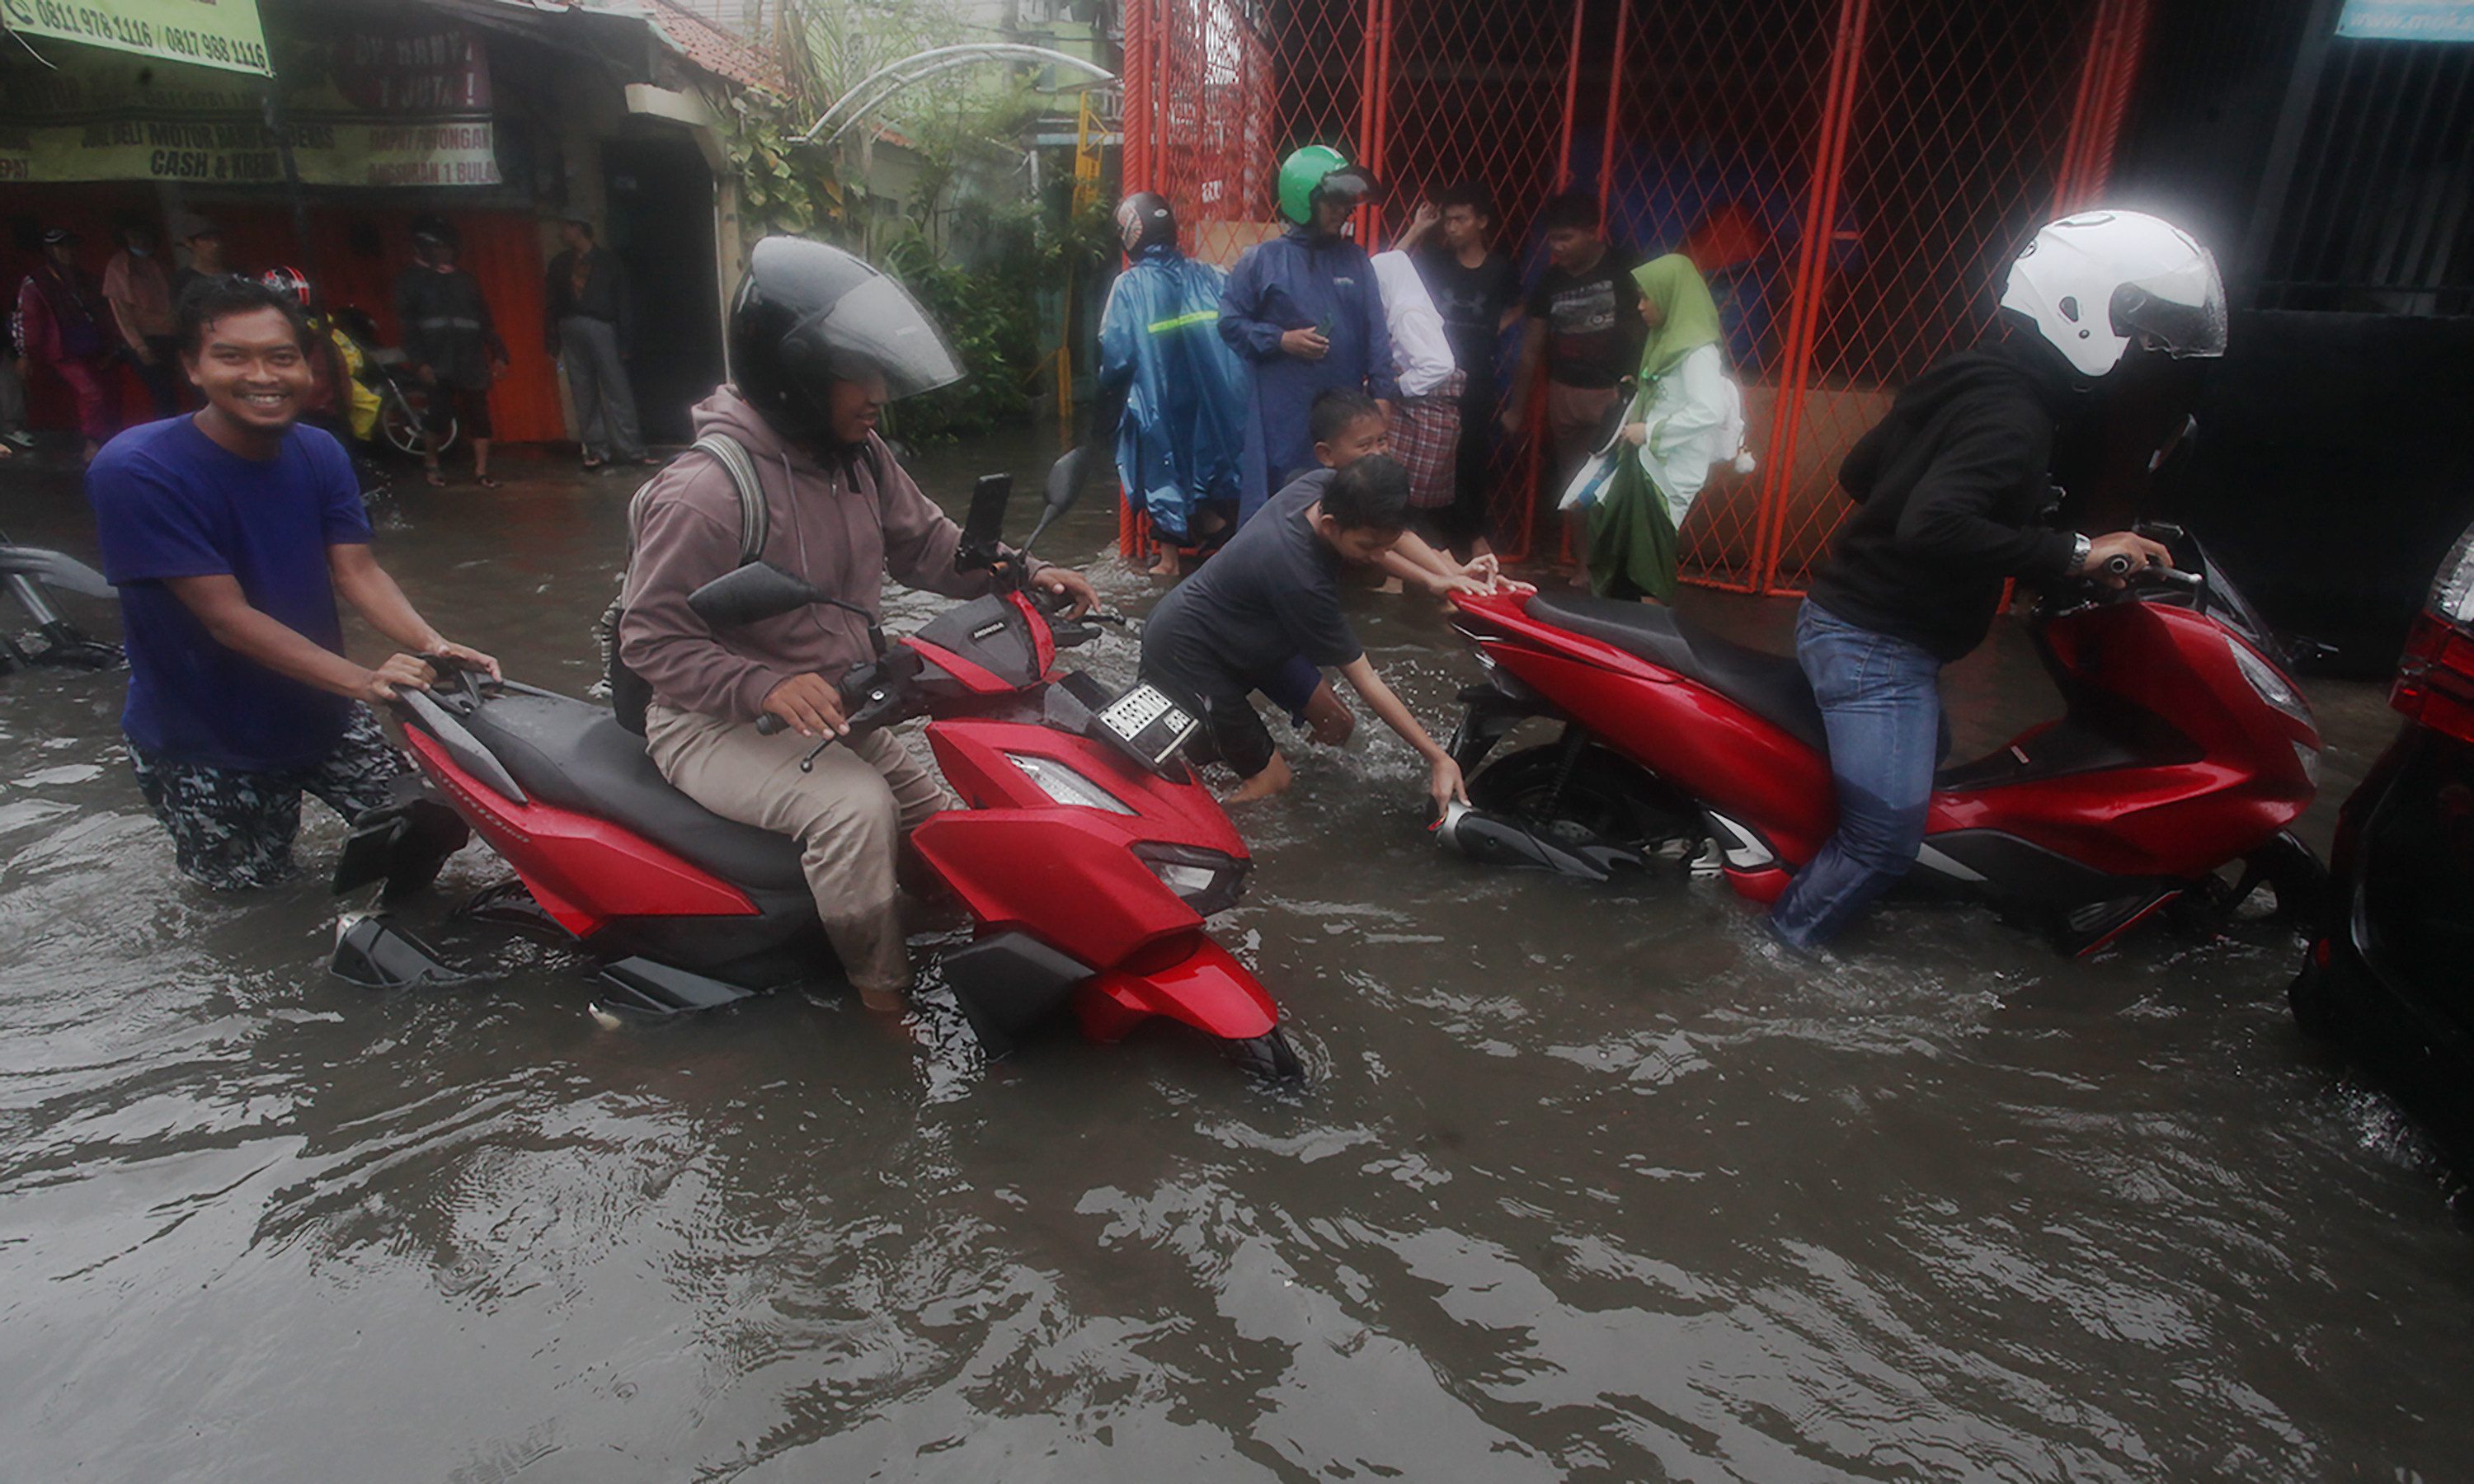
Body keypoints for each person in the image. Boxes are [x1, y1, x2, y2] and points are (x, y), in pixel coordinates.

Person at [618, 237, 1099, 1018]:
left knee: (944, 839)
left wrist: (1023, 571)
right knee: (855, 811)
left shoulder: (858, 455)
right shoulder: (706, 493)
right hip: (712, 722)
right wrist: (762, 685)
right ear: (795, 373)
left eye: (882, 373)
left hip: (837, 709)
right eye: (858, 374)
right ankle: (882, 1006)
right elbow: (650, 640)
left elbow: (929, 545)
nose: (878, 394)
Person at [1766, 209, 2223, 951]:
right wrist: (2073, 552)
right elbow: (1932, 524)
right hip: (1878, 647)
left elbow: (1861, 474)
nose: (2145, 347)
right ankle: (1775, 957)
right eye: (2137, 325)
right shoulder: (2014, 414)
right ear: (2085, 310)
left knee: (1933, 759)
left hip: (1857, 622)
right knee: (1883, 842)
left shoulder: (1976, 372)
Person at [84, 275, 499, 890]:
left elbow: (356, 570)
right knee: (252, 902)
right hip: (206, 739)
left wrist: (432, 644)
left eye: (280, 358)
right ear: (192, 369)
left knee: (433, 821)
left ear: (307, 368)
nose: (262, 376)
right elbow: (225, 616)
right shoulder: (137, 469)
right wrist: (364, 680)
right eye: (233, 356)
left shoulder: (319, 452)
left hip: (321, 706)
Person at [1141, 451, 1472, 809]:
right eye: (1367, 546)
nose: (1378, 556)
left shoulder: (1330, 486)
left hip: (1255, 632)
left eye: (1384, 545)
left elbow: (1388, 537)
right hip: (1188, 652)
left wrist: (1441, 577)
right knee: (1273, 783)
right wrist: (1437, 757)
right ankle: (1202, 831)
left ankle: (1267, 762)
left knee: (1337, 724)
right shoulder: (1301, 578)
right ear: (1330, 526)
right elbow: (1367, 681)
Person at [1220, 145, 1398, 524]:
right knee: (1282, 499)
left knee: (1342, 499)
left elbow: (1376, 334)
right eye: (1334, 202)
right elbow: (1230, 324)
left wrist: (1383, 396)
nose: (1345, 212)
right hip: (1283, 414)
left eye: (1347, 203)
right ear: (1303, 199)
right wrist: (1281, 340)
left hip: (1343, 414)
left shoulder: (1356, 261)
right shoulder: (1261, 260)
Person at [1095, 191, 1249, 575]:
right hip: (1209, 395)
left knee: (1158, 463)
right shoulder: (1209, 273)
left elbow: (1115, 349)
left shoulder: (1129, 286)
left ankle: (1167, 562)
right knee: (1200, 464)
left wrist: (1108, 396)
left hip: (1156, 395)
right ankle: (1217, 532)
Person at [1590, 254, 1753, 602]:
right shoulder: (1666, 342)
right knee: (1618, 530)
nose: (1640, 306)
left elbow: (1708, 409)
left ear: (1671, 297)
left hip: (1669, 468)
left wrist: (1650, 431)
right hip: (1647, 460)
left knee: (1648, 555)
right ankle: (1621, 622)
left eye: (1648, 296)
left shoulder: (1695, 351)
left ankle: (1648, 630)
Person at [1504, 192, 1643, 580]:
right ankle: (1584, 566)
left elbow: (1649, 327)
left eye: (1566, 238)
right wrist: (1517, 410)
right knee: (1575, 484)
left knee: (1615, 486)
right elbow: (1530, 351)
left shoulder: (1626, 268)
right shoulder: (1550, 282)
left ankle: (1614, 567)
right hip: (1564, 394)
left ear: (1592, 231)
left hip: (1615, 396)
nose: (1557, 247)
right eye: (1552, 239)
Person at [1399, 181, 1523, 556]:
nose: (1451, 227)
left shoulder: (1500, 268)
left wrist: (1497, 327)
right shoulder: (1435, 262)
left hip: (1478, 378)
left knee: (1470, 458)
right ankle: (1433, 541)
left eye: (1460, 219)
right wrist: (1418, 228)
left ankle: (1468, 539)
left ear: (1481, 222)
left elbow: (1520, 305)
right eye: (1447, 220)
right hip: (1435, 379)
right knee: (1430, 461)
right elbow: (1387, 268)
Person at [393, 216, 506, 487]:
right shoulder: (414, 282)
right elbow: (409, 329)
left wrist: (500, 355)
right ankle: (431, 464)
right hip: (437, 360)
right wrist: (420, 363)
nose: (444, 252)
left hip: (470, 359)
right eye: (438, 247)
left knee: (480, 417)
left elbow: (486, 321)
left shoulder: (466, 281)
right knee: (439, 415)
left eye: (447, 247)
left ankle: (481, 472)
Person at [1367, 243, 1464, 561]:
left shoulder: (1408, 315)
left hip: (1423, 418)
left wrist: (1398, 387)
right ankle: (1432, 568)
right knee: (1411, 503)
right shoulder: (1410, 307)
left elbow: (1440, 364)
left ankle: (1435, 567)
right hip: (1424, 416)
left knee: (1408, 501)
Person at [544, 209, 645, 472]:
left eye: (566, 227)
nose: (562, 233)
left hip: (602, 326)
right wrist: (552, 339)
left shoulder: (609, 262)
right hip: (569, 325)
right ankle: (596, 449)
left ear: (579, 228)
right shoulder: (559, 263)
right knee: (582, 389)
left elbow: (623, 302)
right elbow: (552, 303)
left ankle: (631, 448)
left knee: (616, 387)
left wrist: (625, 341)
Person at [14, 228, 122, 463]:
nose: (67, 252)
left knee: (107, 393)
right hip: (62, 349)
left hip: (96, 346)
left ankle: (108, 440)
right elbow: (26, 318)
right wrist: (24, 354)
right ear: (50, 251)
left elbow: (105, 313)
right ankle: (93, 442)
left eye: (72, 247)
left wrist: (112, 343)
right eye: (61, 247)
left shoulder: (87, 279)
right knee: (91, 392)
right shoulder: (38, 282)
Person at [104, 222, 182, 419]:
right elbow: (122, 314)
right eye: (133, 238)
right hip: (144, 341)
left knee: (176, 392)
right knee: (162, 394)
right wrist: (140, 346)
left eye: (142, 237)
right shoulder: (120, 267)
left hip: (170, 338)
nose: (139, 242)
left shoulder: (158, 264)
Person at [167, 215, 235, 303]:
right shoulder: (182, 281)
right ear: (188, 242)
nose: (215, 245)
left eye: (217, 239)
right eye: (205, 239)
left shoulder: (237, 275)